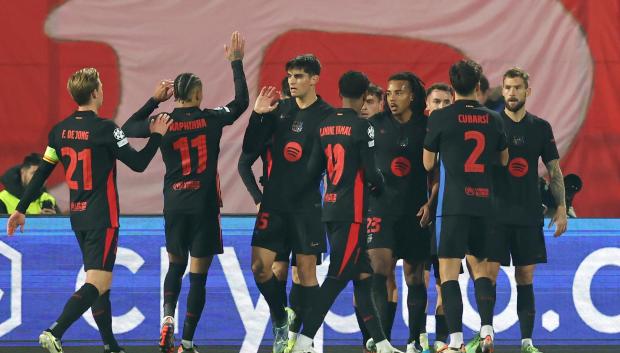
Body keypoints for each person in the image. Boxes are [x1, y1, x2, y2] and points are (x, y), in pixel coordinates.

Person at [6, 67, 173, 353]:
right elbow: (139, 163)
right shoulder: (107, 129)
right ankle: (55, 330)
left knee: (99, 281)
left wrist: (20, 208)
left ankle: (110, 345)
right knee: (98, 281)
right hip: (102, 217)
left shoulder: (59, 132)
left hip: (78, 217)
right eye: (102, 86)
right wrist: (157, 135)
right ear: (95, 92)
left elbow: (42, 173)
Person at [122, 32, 248, 353]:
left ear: (174, 94)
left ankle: (166, 319)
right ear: (198, 93)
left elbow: (126, 128)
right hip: (204, 205)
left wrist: (154, 100)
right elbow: (240, 103)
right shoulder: (210, 119)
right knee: (198, 277)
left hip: (174, 202)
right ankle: (188, 342)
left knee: (175, 266)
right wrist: (235, 63)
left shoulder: (162, 120)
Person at [291, 70, 401, 353]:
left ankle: (383, 344)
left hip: (330, 207)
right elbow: (372, 173)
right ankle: (304, 341)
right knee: (337, 276)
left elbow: (313, 169)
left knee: (363, 279)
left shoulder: (324, 125)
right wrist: (382, 187)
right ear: (365, 95)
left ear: (339, 93)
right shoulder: (363, 127)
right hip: (353, 211)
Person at [468, 67, 567, 353]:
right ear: (503, 89)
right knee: (488, 273)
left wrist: (561, 207)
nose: (512, 93)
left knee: (525, 277)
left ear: (527, 91)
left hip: (527, 214)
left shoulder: (540, 127)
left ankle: (527, 343)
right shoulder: (490, 123)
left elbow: (554, 170)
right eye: (507, 87)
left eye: (517, 88)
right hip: (494, 213)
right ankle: (487, 334)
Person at [242, 54, 334, 353]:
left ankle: (306, 340)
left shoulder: (327, 114)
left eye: (299, 76)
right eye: (290, 76)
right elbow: (249, 151)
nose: (293, 81)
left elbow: (327, 163)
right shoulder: (278, 110)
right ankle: (281, 318)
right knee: (260, 267)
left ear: (314, 79)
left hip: (307, 206)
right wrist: (257, 116)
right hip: (274, 204)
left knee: (306, 274)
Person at [422, 59, 508, 353]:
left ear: (453, 85)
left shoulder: (440, 118)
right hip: (484, 202)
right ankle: (486, 330)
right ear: (477, 84)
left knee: (448, 272)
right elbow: (504, 160)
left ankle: (456, 339)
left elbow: (428, 163)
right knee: (481, 268)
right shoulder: (494, 118)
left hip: (452, 204)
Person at [365, 72, 435, 353]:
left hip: (416, 210)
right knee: (379, 272)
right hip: (380, 209)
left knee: (414, 278)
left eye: (399, 92)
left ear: (412, 96)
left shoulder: (427, 127)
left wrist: (431, 203)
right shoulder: (374, 125)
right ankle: (382, 341)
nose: (392, 98)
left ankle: (413, 341)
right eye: (389, 93)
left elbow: (438, 171)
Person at [423, 82, 454, 351]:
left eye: (446, 103)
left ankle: (441, 342)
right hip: (412, 218)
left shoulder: (459, 136)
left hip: (444, 219)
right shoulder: (416, 133)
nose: (442, 107)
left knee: (443, 283)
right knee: (415, 281)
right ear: (427, 106)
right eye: (437, 102)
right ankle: (416, 339)